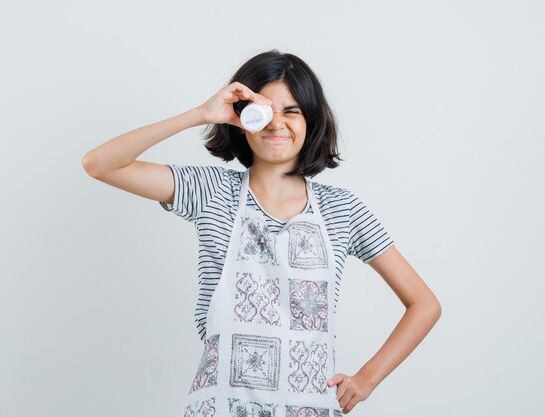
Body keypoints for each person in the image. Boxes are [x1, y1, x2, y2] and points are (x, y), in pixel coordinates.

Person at [82, 49, 441, 416]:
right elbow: (100, 164)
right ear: (243, 119)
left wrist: (367, 379)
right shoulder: (210, 192)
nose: (277, 124)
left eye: (292, 111)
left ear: (311, 121)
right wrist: (200, 114)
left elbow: (424, 305)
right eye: (265, 111)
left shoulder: (342, 210)